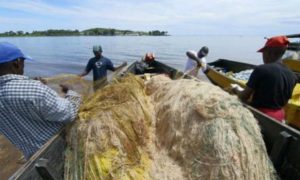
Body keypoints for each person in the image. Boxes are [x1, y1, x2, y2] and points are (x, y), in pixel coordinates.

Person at [0, 42, 81, 160]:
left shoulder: (32, 87)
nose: (24, 66)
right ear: (16, 63)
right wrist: (72, 92)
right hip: (58, 151)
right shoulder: (33, 88)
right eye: (23, 62)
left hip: (32, 157)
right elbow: (69, 113)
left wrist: (31, 83)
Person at [232, 36, 297, 122]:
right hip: (280, 116)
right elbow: (283, 102)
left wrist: (236, 89)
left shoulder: (261, 69)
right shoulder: (292, 75)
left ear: (269, 52)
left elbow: (244, 97)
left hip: (260, 116)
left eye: (263, 52)